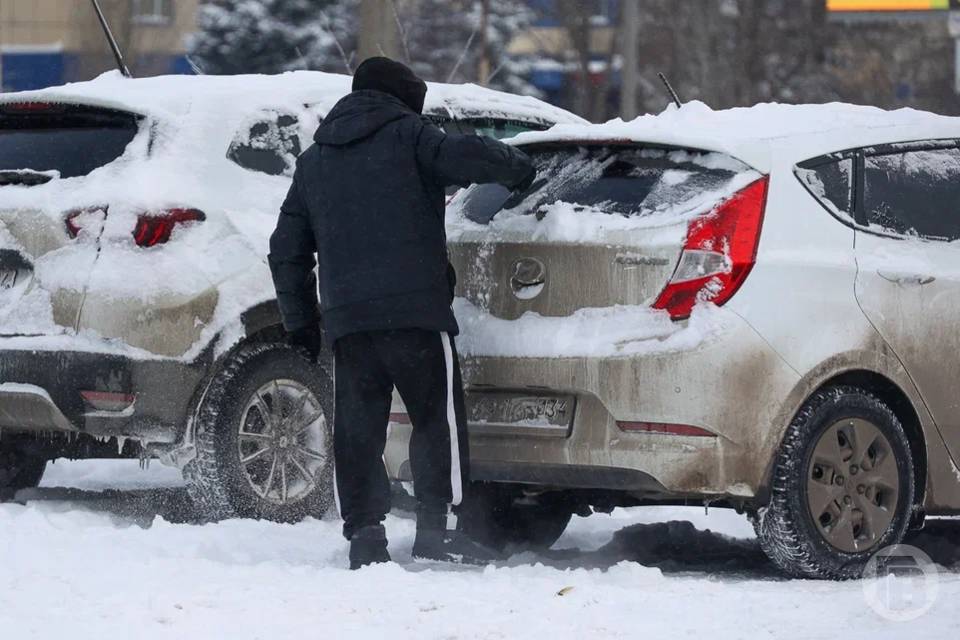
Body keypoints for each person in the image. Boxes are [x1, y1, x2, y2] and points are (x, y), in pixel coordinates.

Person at [268, 56, 535, 570]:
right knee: (436, 419)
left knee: (357, 429)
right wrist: (519, 168)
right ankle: (438, 530)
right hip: (415, 314)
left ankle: (365, 534)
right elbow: (475, 156)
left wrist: (300, 320)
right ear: (403, 98)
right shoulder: (414, 136)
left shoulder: (315, 160)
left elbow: (286, 248)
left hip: (349, 321)